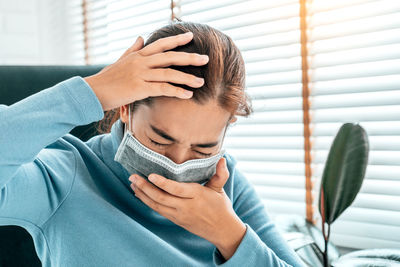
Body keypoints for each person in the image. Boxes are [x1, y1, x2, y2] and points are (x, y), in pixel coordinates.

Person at [0, 21, 304, 266]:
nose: (178, 164)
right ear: (125, 109)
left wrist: (229, 235)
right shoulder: (65, 176)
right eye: (160, 140)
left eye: (203, 149)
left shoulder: (225, 185)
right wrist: (94, 91)